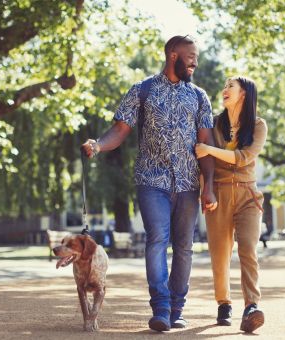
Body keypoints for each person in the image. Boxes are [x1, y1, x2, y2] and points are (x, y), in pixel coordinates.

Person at [81, 35, 218, 332]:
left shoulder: (198, 96)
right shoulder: (142, 90)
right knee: (157, 239)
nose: (195, 62)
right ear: (173, 55)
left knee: (183, 247)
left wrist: (209, 186)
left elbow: (206, 144)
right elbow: (119, 131)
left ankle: (177, 308)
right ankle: (161, 308)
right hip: (151, 179)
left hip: (188, 182)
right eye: (190, 56)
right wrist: (98, 146)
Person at [195, 76, 267, 333]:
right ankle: (224, 302)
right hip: (219, 194)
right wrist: (206, 191)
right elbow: (205, 165)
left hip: (248, 196)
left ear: (244, 94)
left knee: (248, 249)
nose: (224, 90)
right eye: (224, 85)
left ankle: (251, 305)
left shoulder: (258, 126)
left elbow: (244, 157)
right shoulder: (213, 124)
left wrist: (209, 149)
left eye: (230, 86)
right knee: (220, 253)